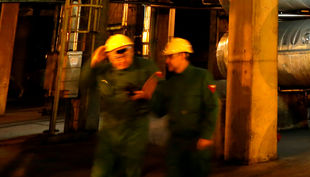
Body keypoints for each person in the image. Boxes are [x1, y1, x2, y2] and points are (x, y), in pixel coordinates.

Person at [79, 33, 158, 177]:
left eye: (125, 55)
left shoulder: (145, 67)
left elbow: (161, 95)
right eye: (117, 57)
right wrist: (93, 62)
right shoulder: (103, 70)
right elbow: (83, 84)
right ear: (108, 56)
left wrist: (148, 95)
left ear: (132, 51)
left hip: (136, 128)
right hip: (110, 128)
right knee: (102, 169)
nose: (122, 60)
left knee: (131, 168)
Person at [152, 37, 220, 177]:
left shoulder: (202, 77)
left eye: (170, 56)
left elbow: (212, 107)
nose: (167, 61)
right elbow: (158, 111)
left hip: (196, 143)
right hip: (175, 145)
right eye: (167, 57)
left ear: (183, 55)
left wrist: (206, 135)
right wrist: (152, 92)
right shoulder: (169, 84)